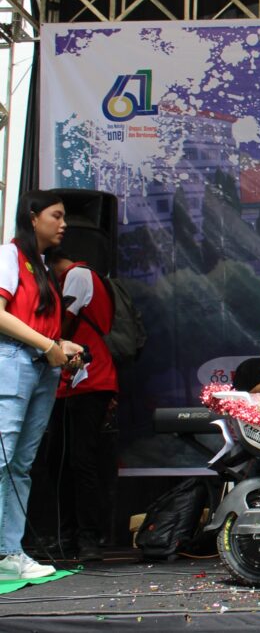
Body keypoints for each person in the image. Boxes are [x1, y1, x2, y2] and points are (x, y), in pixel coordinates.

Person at [0, 191, 84, 580]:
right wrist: (48, 345)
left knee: (21, 464)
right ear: (33, 218)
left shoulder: (43, 265)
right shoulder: (9, 255)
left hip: (39, 366)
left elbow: (36, 323)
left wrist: (61, 345)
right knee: (4, 459)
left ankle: (9, 551)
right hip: (14, 360)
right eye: (56, 215)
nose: (63, 224)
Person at [47, 248, 119, 562]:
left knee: (81, 459)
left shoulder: (77, 274)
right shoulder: (77, 276)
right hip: (70, 380)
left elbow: (63, 325)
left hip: (90, 377)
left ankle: (88, 536)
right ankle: (67, 534)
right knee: (59, 459)